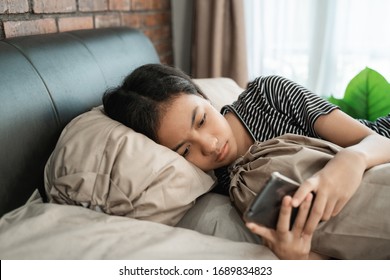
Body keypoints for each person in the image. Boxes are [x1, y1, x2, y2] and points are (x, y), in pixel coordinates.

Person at [103, 63, 390, 259]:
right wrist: (297, 258)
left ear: (202, 96)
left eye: (202, 119)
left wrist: (353, 157)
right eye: (185, 150)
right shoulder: (225, 186)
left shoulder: (268, 95)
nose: (211, 146)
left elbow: (376, 139)